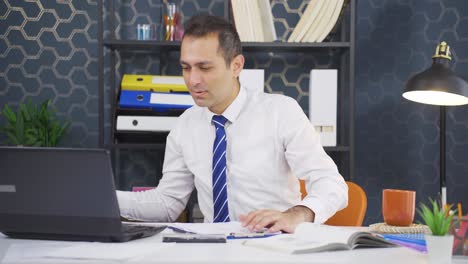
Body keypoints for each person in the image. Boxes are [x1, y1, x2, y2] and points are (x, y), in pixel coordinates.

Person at [117, 14, 348, 233]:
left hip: (273, 246)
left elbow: (332, 184)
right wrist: (100, 196)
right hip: (211, 249)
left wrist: (298, 214)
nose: (193, 80)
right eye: (186, 68)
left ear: (236, 65)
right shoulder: (184, 126)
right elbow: (167, 204)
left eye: (205, 67)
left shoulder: (281, 112)